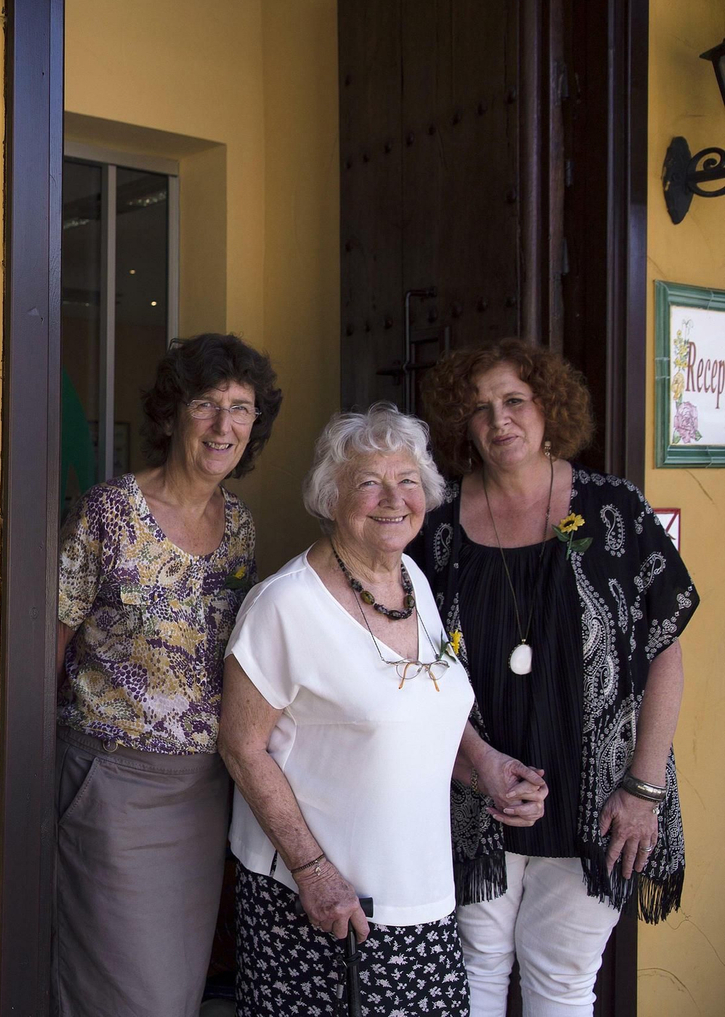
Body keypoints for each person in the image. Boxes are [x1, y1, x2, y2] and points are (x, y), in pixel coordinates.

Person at [218, 404, 547, 1016]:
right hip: (324, 906)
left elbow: (420, 715)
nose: (393, 498)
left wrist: (489, 768)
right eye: (369, 481)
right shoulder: (285, 606)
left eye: (409, 481)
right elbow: (241, 745)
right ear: (331, 496)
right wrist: (314, 871)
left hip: (421, 891)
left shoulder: (412, 582)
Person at [413, 339, 698, 1016]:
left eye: (515, 400)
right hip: (474, 794)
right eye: (479, 408)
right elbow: (413, 670)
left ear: (549, 407)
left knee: (563, 981)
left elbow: (665, 651)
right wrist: (474, 766)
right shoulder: (436, 526)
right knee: (472, 974)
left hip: (600, 797)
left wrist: (643, 788)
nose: (499, 420)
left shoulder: (615, 511)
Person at [52, 333, 281, 1017]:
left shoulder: (238, 525)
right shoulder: (109, 512)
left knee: (177, 989)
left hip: (203, 791)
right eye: (206, 404)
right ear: (173, 414)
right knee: (128, 991)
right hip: (114, 788)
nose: (223, 425)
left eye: (240, 409)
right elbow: (53, 642)